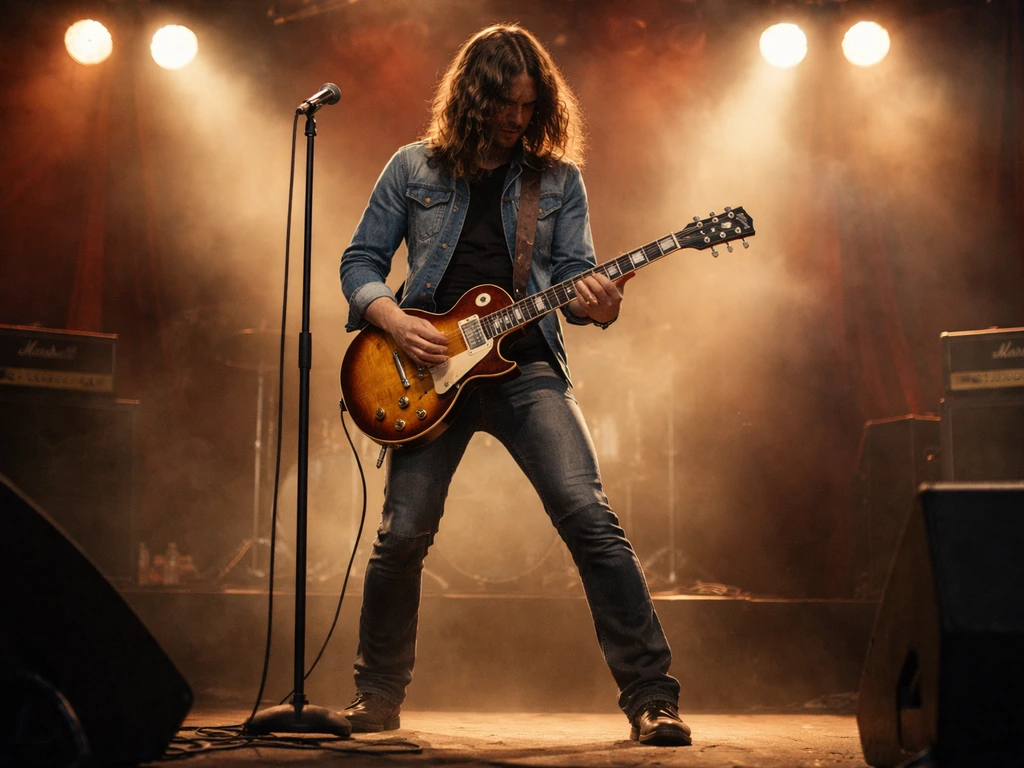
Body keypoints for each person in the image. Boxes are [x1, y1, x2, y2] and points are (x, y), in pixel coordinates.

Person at [338, 23, 690, 747]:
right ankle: (376, 694)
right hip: (426, 374)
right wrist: (391, 318)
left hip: (526, 368)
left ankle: (652, 698)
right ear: (472, 97)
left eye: (530, 107)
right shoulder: (411, 168)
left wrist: (601, 303)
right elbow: (360, 261)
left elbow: (575, 280)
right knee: (402, 535)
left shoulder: (557, 181)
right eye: (506, 105)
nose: (518, 119)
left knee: (590, 518)